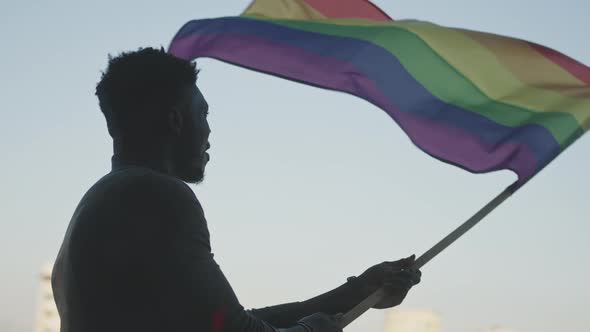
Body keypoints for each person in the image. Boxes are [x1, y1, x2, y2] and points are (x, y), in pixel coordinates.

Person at [51, 47, 421, 332]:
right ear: (176, 120)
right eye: (204, 115)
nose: (209, 132)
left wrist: (357, 293)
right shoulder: (156, 194)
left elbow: (219, 321)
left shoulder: (103, 203)